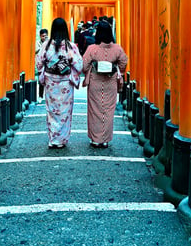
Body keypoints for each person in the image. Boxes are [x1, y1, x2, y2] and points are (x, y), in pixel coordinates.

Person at [36, 18, 83, 149]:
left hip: (51, 82)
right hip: (65, 83)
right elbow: (79, 65)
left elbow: (39, 63)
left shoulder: (46, 45)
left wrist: (46, 70)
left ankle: (53, 139)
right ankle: (61, 139)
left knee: (51, 111)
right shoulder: (70, 46)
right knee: (65, 112)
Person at [82, 21, 128, 148]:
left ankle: (96, 139)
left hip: (95, 81)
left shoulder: (92, 49)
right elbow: (124, 62)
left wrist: (89, 69)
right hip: (110, 82)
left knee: (94, 110)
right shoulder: (117, 48)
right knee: (108, 110)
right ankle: (105, 139)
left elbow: (84, 65)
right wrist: (118, 70)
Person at [35, 28, 48, 101]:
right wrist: (43, 46)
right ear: (40, 36)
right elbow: (35, 51)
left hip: (48, 65)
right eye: (43, 36)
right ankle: (40, 96)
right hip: (40, 64)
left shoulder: (50, 43)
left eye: (45, 36)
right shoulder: (38, 43)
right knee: (41, 80)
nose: (44, 38)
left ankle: (47, 97)